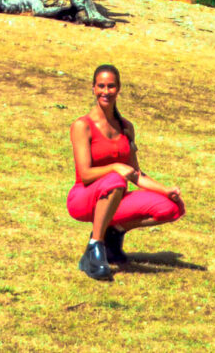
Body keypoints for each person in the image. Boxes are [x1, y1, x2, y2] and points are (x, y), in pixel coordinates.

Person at [67, 63, 182, 279]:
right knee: (115, 180)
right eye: (101, 86)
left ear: (118, 89)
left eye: (111, 86)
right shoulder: (82, 125)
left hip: (114, 195)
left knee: (172, 208)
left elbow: (135, 173)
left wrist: (165, 190)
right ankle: (94, 248)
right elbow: (85, 174)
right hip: (83, 198)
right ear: (93, 88)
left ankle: (114, 232)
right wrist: (115, 167)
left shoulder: (126, 127)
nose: (106, 91)